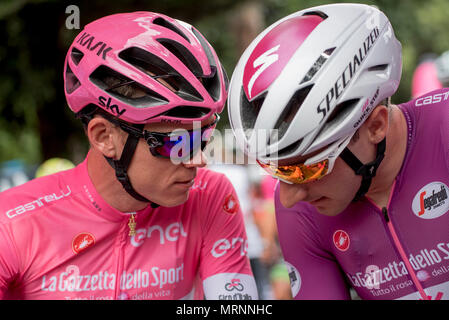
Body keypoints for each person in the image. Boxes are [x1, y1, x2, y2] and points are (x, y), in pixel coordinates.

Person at [0, 11, 257, 300]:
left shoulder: (209, 196)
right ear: (104, 137)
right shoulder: (11, 222)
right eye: (176, 144)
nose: (198, 160)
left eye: (203, 138)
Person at [228, 3, 449, 299]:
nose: (290, 197)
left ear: (375, 126)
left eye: (307, 167)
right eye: (279, 170)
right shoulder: (303, 210)